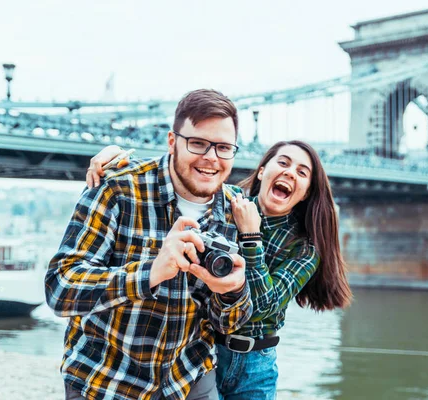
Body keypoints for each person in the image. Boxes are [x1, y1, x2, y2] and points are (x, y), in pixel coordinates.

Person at [89, 139, 352, 399]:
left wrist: (251, 236)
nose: (289, 172)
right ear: (262, 171)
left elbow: (260, 307)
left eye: (301, 172)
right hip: (202, 356)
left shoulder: (305, 249)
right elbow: (184, 176)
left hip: (255, 367)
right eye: (283, 163)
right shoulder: (225, 205)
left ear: (305, 192)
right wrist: (119, 160)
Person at [45, 89, 253, 400]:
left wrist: (233, 292)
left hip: (188, 379)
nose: (211, 158)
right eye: (198, 143)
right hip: (107, 380)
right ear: (172, 141)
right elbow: (60, 289)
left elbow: (228, 323)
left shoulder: (236, 209)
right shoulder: (116, 189)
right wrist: (151, 272)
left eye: (224, 147)